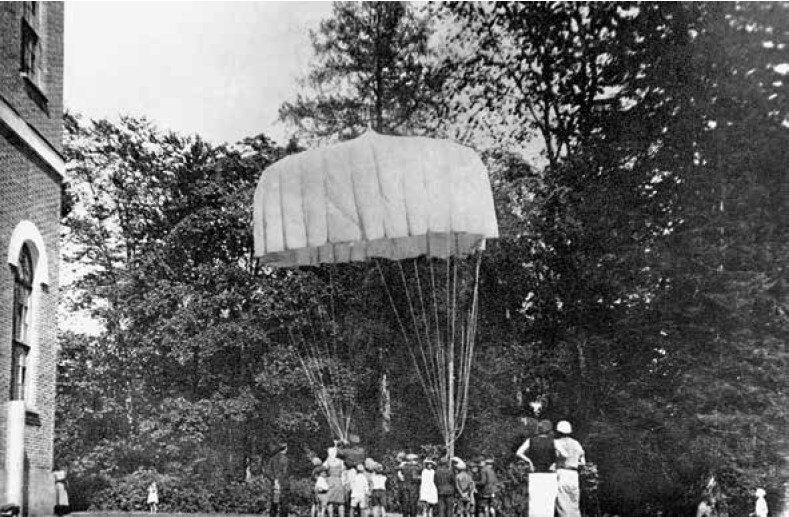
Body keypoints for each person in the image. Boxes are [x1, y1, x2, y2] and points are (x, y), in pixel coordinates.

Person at [516, 419, 557, 517]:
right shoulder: (553, 441)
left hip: (535, 474)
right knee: (548, 503)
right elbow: (564, 454)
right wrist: (555, 463)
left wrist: (529, 461)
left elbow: (519, 452)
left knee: (535, 501)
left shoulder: (530, 440)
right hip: (549, 475)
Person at [553, 421, 585, 517]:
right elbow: (583, 463)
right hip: (574, 475)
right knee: (574, 505)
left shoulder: (556, 443)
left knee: (563, 505)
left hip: (562, 473)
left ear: (558, 431)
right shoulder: (577, 444)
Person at [268, 443, 291, 517]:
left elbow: (268, 471)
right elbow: (285, 473)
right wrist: (280, 481)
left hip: (275, 485)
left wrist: (274, 480)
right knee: (284, 505)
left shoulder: (272, 459)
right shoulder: (285, 459)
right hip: (283, 485)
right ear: (285, 448)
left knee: (275, 503)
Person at [325, 446, 347, 517]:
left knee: (330, 502)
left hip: (330, 482)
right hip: (339, 482)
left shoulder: (327, 461)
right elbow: (344, 474)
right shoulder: (341, 462)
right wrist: (344, 484)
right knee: (341, 502)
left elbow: (322, 470)